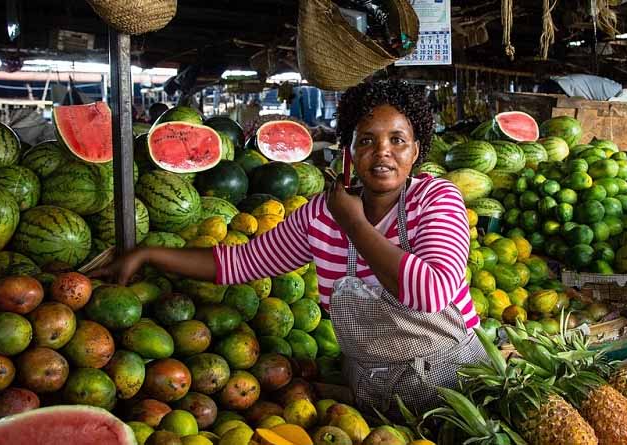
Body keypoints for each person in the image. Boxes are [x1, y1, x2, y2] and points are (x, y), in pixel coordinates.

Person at [91, 79, 487, 416]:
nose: (382, 150)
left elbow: (430, 290)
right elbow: (241, 262)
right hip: (372, 393)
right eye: (366, 140)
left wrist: (353, 222)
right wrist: (146, 254)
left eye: (397, 140)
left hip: (454, 386)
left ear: (416, 151)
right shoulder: (320, 215)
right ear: (348, 151)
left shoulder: (437, 199)